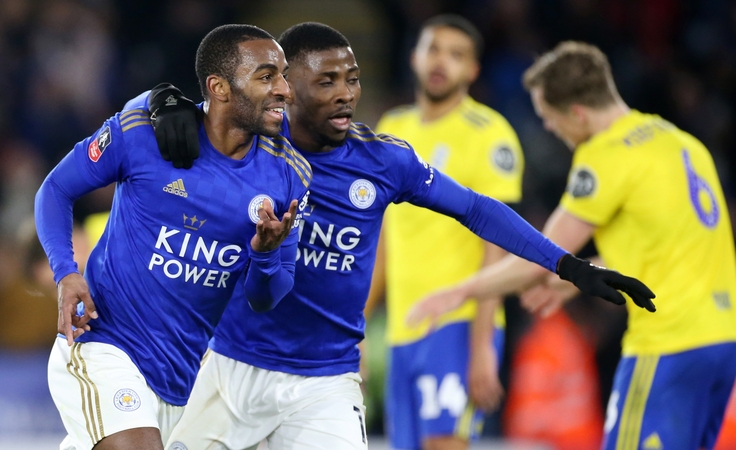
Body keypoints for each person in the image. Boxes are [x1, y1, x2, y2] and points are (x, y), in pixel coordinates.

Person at [149, 24, 653, 450]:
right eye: (326, 81)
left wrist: (567, 265)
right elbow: (162, 125)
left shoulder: (385, 161)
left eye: (352, 79)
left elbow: (478, 210)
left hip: (324, 382)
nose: (346, 93)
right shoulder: (246, 142)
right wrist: (162, 101)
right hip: (233, 364)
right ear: (286, 88)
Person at [408, 41, 736, 450]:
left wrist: (459, 291)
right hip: (722, 345)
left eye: (548, 118)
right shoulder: (681, 143)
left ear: (578, 113)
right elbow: (666, 249)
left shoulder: (607, 155)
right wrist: (568, 283)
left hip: (668, 346)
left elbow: (541, 256)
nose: (549, 128)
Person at [34, 24, 309, 450]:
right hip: (103, 344)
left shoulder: (288, 175)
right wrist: (66, 273)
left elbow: (265, 297)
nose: (286, 90)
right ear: (219, 87)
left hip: (180, 378)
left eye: (284, 75)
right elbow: (55, 189)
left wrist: (265, 254)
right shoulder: (144, 133)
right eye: (267, 75)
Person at [366, 15, 521, 449]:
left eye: (456, 55)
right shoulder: (393, 131)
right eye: (433, 49)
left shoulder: (490, 136)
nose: (441, 62)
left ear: (473, 71)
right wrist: (357, 326)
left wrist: (482, 345)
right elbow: (382, 240)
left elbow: (498, 248)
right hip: (401, 331)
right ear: (414, 57)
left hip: (458, 326)